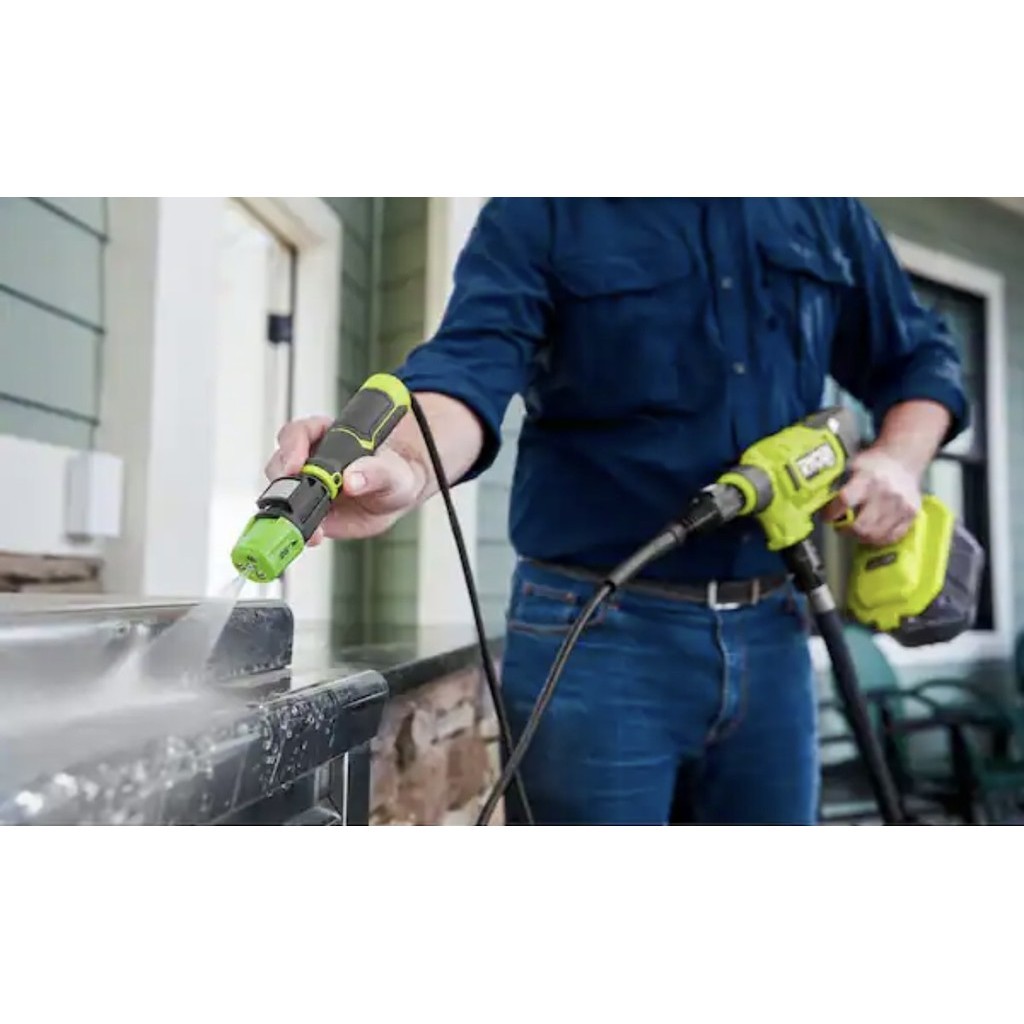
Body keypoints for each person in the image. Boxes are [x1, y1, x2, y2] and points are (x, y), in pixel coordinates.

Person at [266, 198, 968, 825]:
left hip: (774, 628)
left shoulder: (823, 208)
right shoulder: (543, 208)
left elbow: (921, 359)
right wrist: (405, 463)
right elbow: (468, 365)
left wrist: (897, 459)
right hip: (596, 632)